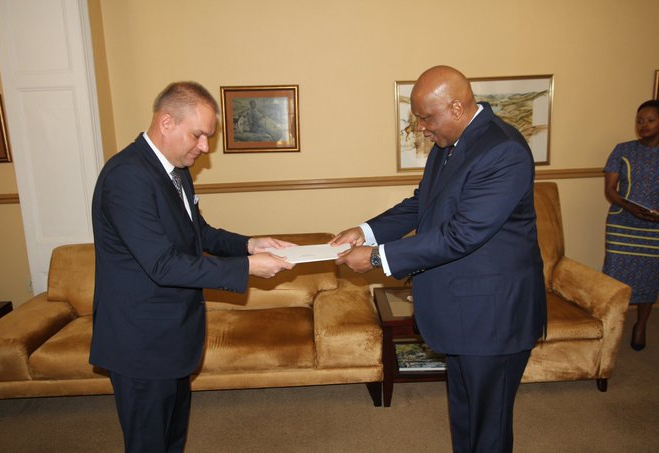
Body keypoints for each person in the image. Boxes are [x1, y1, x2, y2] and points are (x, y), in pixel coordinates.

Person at [331, 65, 547, 453]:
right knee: (465, 415)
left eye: (426, 118)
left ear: (456, 108)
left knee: (489, 426)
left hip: (493, 316)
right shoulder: (450, 145)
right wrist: (366, 231)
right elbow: (422, 204)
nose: (421, 128)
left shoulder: (503, 150)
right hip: (464, 311)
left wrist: (377, 257)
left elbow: (461, 234)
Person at [90, 81, 295, 453]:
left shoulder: (176, 169)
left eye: (208, 137)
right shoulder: (127, 177)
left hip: (173, 336)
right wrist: (247, 267)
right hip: (142, 343)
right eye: (198, 135)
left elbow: (198, 233)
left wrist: (250, 244)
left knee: (172, 440)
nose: (204, 147)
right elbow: (163, 265)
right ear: (166, 122)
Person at [602, 99, 659, 351]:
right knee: (615, 277)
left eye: (650, 120)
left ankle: (641, 325)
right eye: (639, 121)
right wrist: (631, 207)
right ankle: (612, 325)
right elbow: (611, 190)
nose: (643, 125)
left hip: (654, 227)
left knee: (650, 277)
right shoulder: (623, 150)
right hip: (622, 222)